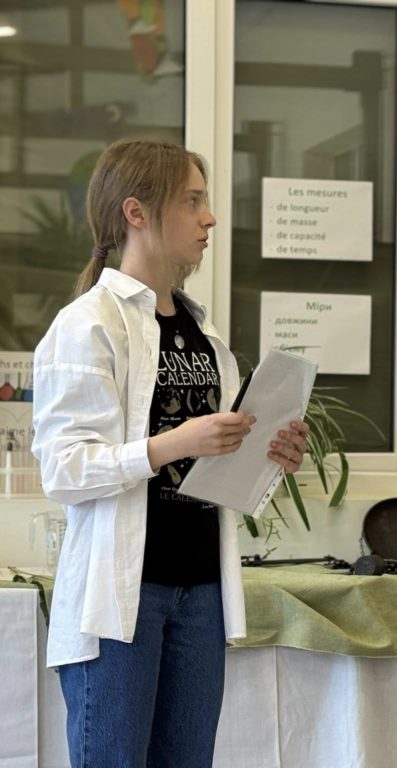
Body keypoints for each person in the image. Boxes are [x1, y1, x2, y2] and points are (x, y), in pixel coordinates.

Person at [31, 139, 310, 767]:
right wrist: (172, 445)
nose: (210, 218)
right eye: (192, 201)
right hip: (119, 601)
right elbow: (64, 470)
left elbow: (215, 468)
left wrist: (271, 456)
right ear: (136, 212)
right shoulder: (87, 324)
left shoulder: (202, 331)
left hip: (201, 592)